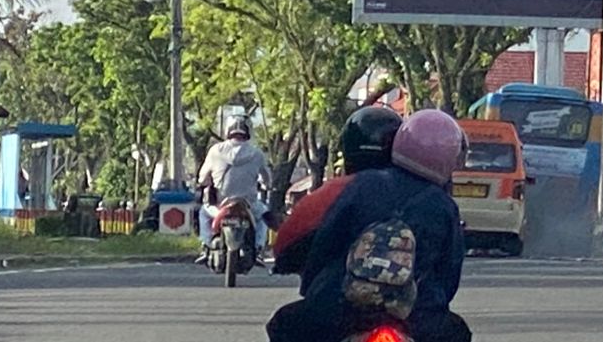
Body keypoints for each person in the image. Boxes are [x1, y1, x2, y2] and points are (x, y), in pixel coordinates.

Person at [266, 109, 470, 342]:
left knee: (282, 324)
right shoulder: (444, 206)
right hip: (417, 317)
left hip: (338, 309)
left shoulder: (358, 186)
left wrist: (314, 287)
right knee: (458, 333)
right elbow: (448, 273)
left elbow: (324, 244)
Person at [274, 106, 402, 276]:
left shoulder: (334, 192)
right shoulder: (430, 196)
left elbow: (284, 245)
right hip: (417, 292)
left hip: (334, 289)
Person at [197, 115, 272, 260]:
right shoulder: (257, 154)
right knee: (263, 216)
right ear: (248, 131)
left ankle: (205, 246)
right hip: (248, 204)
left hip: (220, 205)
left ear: (228, 130)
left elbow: (203, 178)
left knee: (204, 213)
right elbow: (267, 179)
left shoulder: (215, 151)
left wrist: (205, 182)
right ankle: (258, 248)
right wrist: (266, 185)